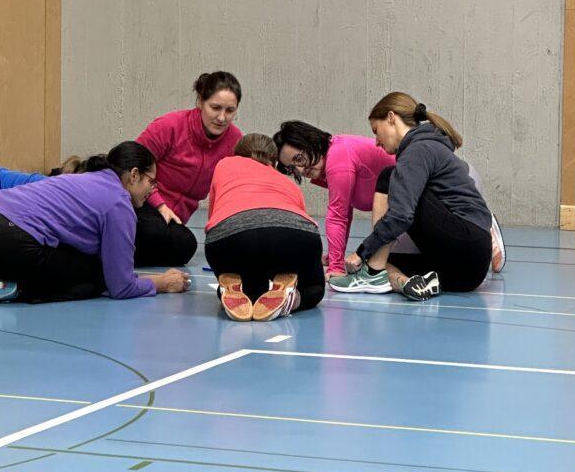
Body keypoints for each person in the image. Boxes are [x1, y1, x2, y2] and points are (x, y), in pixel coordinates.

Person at [0, 142, 191, 304]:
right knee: (94, 279)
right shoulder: (119, 203)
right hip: (2, 239)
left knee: (72, 263)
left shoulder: (87, 179)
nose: (152, 189)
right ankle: (10, 288)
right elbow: (120, 286)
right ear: (134, 176)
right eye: (150, 181)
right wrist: (163, 283)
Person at [274, 120, 505, 277]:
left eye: (299, 159)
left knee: (380, 259)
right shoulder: (328, 163)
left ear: (310, 142)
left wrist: (336, 267)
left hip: (451, 195)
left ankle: (485, 225)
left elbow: (338, 216)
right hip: (424, 202)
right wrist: (338, 258)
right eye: (291, 168)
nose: (300, 170)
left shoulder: (337, 158)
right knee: (392, 259)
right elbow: (345, 215)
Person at [328, 93, 493, 301]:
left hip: (466, 244)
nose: (376, 142)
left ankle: (372, 271)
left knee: (388, 177)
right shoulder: (429, 146)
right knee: (391, 261)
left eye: (376, 131)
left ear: (391, 117)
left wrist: (363, 251)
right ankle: (402, 282)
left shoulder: (417, 150)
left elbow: (401, 216)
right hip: (467, 274)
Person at [204, 134, 325, 321]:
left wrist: (221, 257)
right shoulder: (288, 183)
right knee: (315, 288)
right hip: (295, 235)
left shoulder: (225, 164)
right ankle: (291, 299)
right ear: (274, 161)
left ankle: (231, 290)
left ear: (237, 154)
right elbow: (301, 217)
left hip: (233, 235)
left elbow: (213, 217)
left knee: (249, 280)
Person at [135, 71, 243, 266]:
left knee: (185, 245)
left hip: (172, 220)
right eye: (215, 108)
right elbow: (133, 166)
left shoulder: (235, 141)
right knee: (157, 233)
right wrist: (160, 205)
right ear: (200, 101)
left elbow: (235, 190)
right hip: (143, 204)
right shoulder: (169, 126)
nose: (221, 117)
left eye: (230, 111)